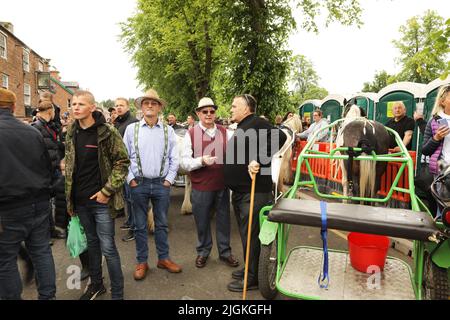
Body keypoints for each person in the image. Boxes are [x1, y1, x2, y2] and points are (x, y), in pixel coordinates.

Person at [65, 90, 130, 300]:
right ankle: (97, 285)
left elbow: (122, 163)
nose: (75, 107)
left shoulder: (107, 132)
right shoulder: (71, 131)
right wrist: (70, 199)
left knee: (108, 248)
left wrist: (107, 191)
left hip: (102, 202)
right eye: (73, 103)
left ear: (92, 107)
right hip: (80, 201)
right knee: (91, 245)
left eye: (81, 104)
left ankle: (117, 293)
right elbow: (71, 165)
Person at [223, 94, 287, 292]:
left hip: (254, 192)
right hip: (242, 192)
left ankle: (252, 278)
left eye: (235, 106)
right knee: (246, 235)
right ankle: (250, 268)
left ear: (246, 108)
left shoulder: (257, 122)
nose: (231, 109)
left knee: (252, 235)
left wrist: (259, 159)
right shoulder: (244, 125)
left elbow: (281, 136)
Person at [0, 88, 56, 300]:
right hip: (38, 203)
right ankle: (48, 296)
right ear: (14, 107)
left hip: (7, 209)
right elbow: (48, 168)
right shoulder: (32, 132)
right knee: (41, 252)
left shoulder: (32, 131)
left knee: (5, 259)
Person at [123, 89, 181, 281]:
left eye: (153, 103)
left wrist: (169, 180)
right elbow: (123, 157)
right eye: (146, 102)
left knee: (162, 224)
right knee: (139, 226)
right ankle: (142, 261)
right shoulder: (132, 130)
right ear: (141, 106)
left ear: (159, 107)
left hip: (160, 184)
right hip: (138, 183)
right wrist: (130, 179)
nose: (149, 105)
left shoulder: (168, 130)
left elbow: (174, 157)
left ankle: (163, 258)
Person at [180, 97, 239, 269]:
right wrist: (201, 161)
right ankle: (203, 252)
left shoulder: (224, 131)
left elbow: (234, 154)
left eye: (211, 111)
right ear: (198, 113)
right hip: (201, 186)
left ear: (215, 113)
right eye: (204, 111)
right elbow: (183, 162)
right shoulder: (190, 134)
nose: (208, 114)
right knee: (202, 220)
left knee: (223, 220)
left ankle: (225, 252)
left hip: (222, 185)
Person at [31, 101, 66, 240]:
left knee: (56, 200)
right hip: (45, 172)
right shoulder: (36, 127)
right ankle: (47, 233)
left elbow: (53, 146)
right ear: (50, 111)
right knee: (45, 204)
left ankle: (53, 229)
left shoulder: (48, 125)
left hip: (54, 169)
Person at [417, 84, 450, 216]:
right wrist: (436, 138)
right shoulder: (435, 121)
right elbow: (425, 150)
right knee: (443, 207)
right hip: (443, 167)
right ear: (442, 101)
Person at [113, 97, 139, 242]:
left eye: (121, 105)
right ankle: (130, 222)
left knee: (132, 199)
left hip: (130, 167)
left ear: (127, 107)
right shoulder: (118, 122)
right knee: (127, 199)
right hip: (120, 166)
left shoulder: (134, 122)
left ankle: (135, 229)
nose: (118, 108)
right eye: (116, 106)